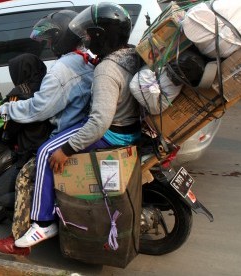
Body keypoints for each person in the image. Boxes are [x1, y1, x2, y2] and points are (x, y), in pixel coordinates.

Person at [14, 2, 143, 248]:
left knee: (45, 153)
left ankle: (42, 224)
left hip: (111, 133)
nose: (86, 38)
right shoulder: (130, 54)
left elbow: (99, 122)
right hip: (129, 129)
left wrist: (67, 149)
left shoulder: (106, 69)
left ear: (103, 37)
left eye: (91, 34)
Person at [0, 9, 95, 256]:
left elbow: (38, 109)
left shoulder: (61, 69)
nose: (48, 44)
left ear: (62, 37)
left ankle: (18, 240)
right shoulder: (85, 58)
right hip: (79, 126)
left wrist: (6, 108)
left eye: (49, 39)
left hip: (64, 132)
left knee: (26, 177)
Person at [0, 53, 53, 210]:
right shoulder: (46, 88)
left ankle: (38, 200)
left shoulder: (18, 93)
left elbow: (10, 127)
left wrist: (4, 135)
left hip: (29, 153)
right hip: (48, 145)